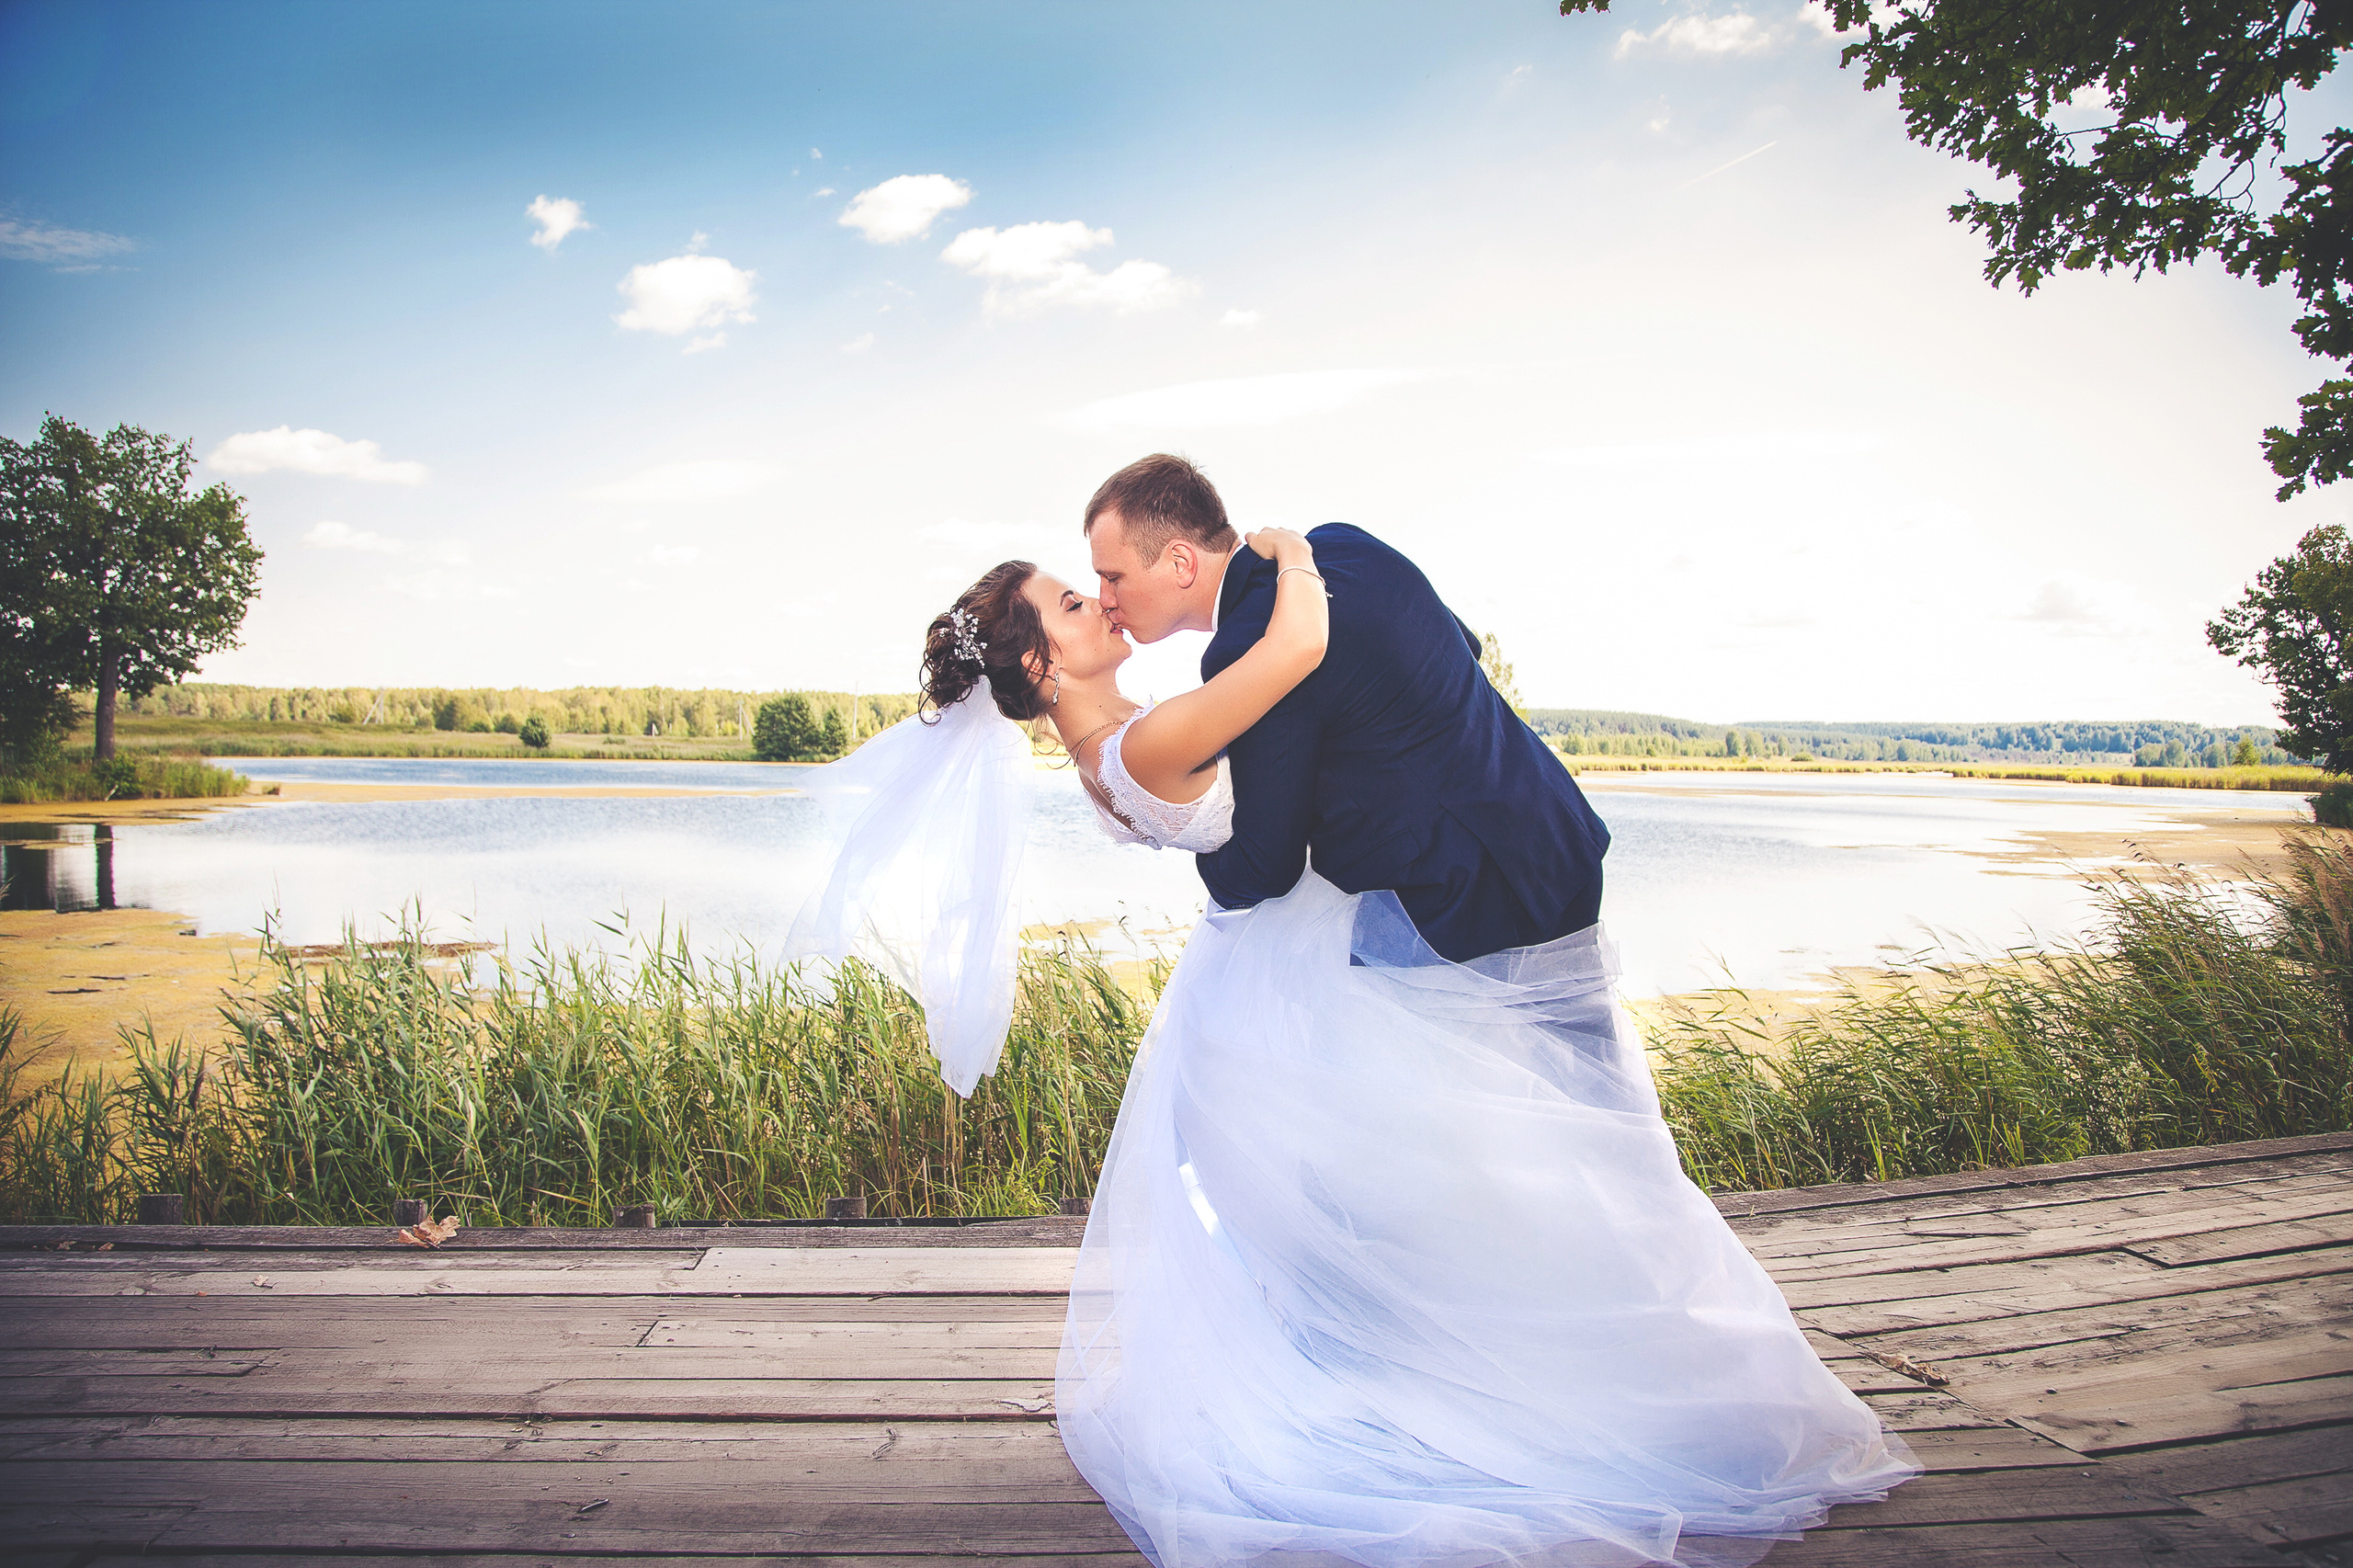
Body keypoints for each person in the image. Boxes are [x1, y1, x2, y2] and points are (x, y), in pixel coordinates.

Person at [790, 455, 1917, 1568]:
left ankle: (1430, 1359)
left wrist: (1282, 564)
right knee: (1458, 1160)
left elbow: (1291, 790)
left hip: (1317, 955)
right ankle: (1473, 1366)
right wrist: (1289, 546)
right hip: (1342, 941)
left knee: (1419, 1170)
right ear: (1042, 657)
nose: (1106, 598)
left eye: (1102, 578)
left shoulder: (1129, 730)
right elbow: (1298, 682)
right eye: (1081, 597)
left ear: (1177, 559)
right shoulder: (1185, 697)